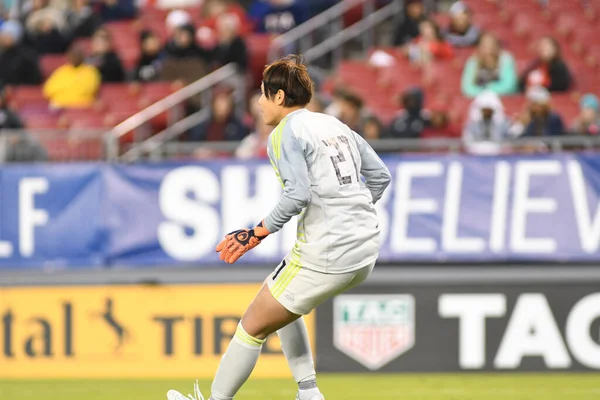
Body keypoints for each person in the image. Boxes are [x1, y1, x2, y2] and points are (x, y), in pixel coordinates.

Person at [166, 54, 391, 400]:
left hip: (328, 251)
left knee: (252, 326)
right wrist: (353, 213)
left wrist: (256, 233)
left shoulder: (286, 132)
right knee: (281, 297)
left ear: (280, 98)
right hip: (366, 248)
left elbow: (297, 194)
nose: (258, 103)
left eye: (262, 94)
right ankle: (309, 391)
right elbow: (380, 177)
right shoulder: (335, 125)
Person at [43, 43, 101, 108]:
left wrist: (64, 89)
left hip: (82, 105)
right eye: (73, 55)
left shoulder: (90, 71)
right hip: (61, 105)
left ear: (82, 56)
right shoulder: (62, 71)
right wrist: (72, 86)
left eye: (77, 55)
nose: (75, 57)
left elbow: (87, 89)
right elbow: (48, 90)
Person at [461, 32, 517, 98]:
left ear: (497, 46)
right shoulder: (473, 62)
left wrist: (489, 91)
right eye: (485, 45)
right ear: (479, 47)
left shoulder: (506, 59)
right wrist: (483, 93)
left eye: (492, 45)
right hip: (479, 100)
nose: (489, 49)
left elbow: (509, 86)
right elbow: (467, 89)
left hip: (503, 100)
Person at [0, 20, 42, 85]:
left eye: (5, 35)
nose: (2, 38)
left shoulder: (27, 56)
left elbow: (35, 79)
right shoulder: (3, 55)